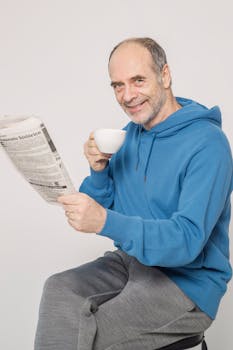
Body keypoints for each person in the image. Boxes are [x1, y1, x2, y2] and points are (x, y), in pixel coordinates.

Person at [34, 37, 233, 350]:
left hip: (187, 282)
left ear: (164, 76)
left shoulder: (208, 145)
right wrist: (98, 170)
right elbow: (103, 209)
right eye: (117, 85)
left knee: (89, 333)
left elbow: (186, 241)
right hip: (134, 263)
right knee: (60, 292)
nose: (127, 96)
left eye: (138, 80)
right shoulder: (129, 136)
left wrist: (103, 220)